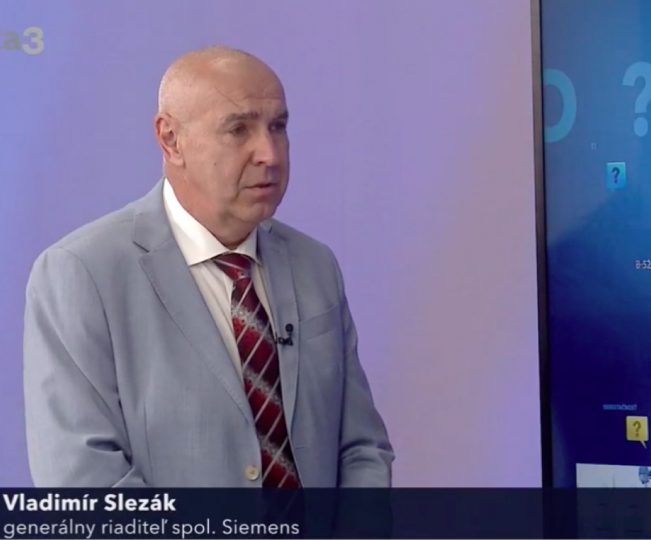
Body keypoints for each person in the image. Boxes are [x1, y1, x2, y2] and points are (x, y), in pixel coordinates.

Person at [23, 46, 394, 488]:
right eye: (239, 129)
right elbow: (83, 479)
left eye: (278, 127)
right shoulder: (81, 273)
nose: (270, 154)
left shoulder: (314, 266)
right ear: (170, 139)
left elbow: (362, 449)